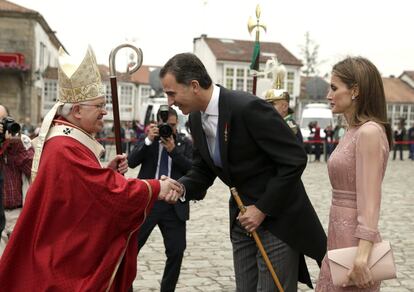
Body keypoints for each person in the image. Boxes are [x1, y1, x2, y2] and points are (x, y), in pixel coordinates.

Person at [0, 46, 182, 291]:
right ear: (76, 110)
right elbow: (104, 192)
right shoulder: (64, 146)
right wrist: (156, 186)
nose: (105, 112)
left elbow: (82, 188)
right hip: (63, 259)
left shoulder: (67, 140)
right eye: (99, 106)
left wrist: (104, 170)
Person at [160, 53, 326, 291]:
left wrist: (262, 209)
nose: (170, 102)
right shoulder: (196, 119)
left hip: (277, 220)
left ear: (194, 86)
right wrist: (182, 186)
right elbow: (203, 169)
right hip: (241, 221)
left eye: (172, 93)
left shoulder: (247, 107)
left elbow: (295, 159)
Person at [316, 57, 393, 291]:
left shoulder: (369, 132)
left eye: (334, 88)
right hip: (338, 235)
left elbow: (370, 200)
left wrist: (362, 255)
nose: (329, 95)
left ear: (355, 90)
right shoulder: (352, 130)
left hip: (355, 243)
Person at [128, 106, 193, 292]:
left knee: (176, 251)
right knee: (131, 248)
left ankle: (167, 289)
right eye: (165, 125)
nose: (168, 130)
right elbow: (132, 161)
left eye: (172, 125)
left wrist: (173, 151)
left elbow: (192, 170)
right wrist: (148, 139)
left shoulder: (184, 143)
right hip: (148, 201)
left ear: (177, 124)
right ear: (157, 123)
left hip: (173, 205)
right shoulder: (149, 140)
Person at [0, 104, 34, 256]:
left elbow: (35, 173)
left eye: (3, 121)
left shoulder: (22, 141)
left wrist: (16, 148)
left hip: (17, 214)